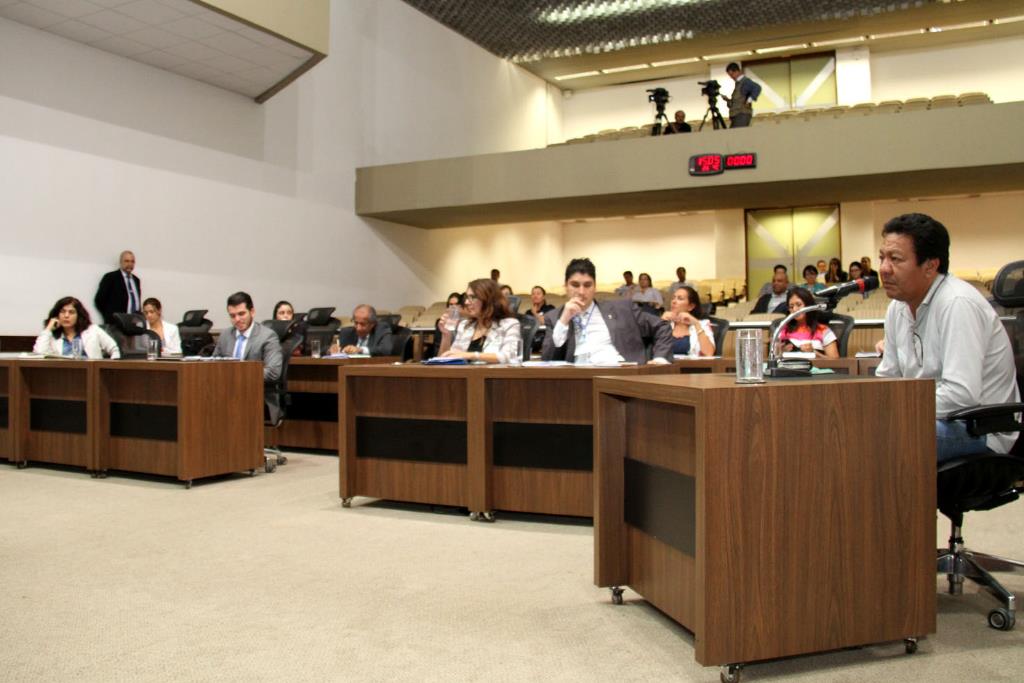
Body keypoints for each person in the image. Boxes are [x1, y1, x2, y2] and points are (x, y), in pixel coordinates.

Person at [875, 213, 1018, 461]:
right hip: (932, 418)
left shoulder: (957, 303)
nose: (884, 269)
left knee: (880, 434)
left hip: (979, 428)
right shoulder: (897, 307)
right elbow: (888, 378)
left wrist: (897, 410)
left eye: (895, 259)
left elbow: (961, 394)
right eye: (882, 258)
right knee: (854, 424)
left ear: (930, 266)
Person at [542, 258, 672, 365]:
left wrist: (660, 358)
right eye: (575, 285)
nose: (581, 292)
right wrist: (564, 320)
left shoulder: (623, 309)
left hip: (620, 374)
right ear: (565, 286)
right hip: (578, 379)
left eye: (587, 285)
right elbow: (547, 360)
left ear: (595, 287)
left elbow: (662, 326)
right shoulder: (554, 318)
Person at [212, 292, 284, 423]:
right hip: (226, 394)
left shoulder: (267, 336)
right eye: (232, 316)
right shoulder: (225, 335)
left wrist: (239, 376)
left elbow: (273, 372)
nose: (237, 319)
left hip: (257, 395)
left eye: (241, 314)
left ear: (252, 312)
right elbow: (213, 366)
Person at [438, 278, 521, 364]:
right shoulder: (465, 326)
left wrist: (471, 355)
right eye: (467, 297)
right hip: (465, 373)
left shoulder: (510, 325)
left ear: (488, 300)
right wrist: (446, 335)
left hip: (492, 372)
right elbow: (445, 360)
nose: (466, 302)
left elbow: (510, 356)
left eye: (473, 297)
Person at [34, 296, 120, 358]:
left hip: (91, 374)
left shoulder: (93, 330)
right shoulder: (52, 336)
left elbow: (114, 349)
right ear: (57, 315)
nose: (66, 316)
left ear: (79, 316)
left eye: (71, 312)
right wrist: (48, 329)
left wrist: (108, 370)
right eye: (62, 312)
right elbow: (39, 354)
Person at [778, 288, 838, 358]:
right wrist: (782, 352)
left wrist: (814, 353)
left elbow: (835, 361)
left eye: (799, 305)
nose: (794, 309)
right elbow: (773, 357)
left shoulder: (823, 330)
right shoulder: (783, 329)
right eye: (791, 306)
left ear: (809, 306)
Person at [661, 286, 714, 357]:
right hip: (665, 363)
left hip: (691, 364)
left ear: (691, 306)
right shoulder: (665, 323)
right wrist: (660, 323)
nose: (674, 301)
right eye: (673, 298)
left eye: (680, 298)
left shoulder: (703, 324)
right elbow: (651, 352)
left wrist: (696, 323)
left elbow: (709, 353)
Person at [94, 250, 141, 324]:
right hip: (116, 323)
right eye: (127, 261)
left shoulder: (136, 280)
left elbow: (136, 301)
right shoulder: (111, 277)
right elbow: (99, 300)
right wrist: (110, 316)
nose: (130, 264)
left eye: (132, 261)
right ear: (121, 262)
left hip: (133, 323)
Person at [721, 62, 761, 128]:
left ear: (737, 71)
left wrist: (749, 100)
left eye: (732, 74)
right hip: (736, 115)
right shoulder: (738, 84)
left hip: (742, 114)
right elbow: (737, 101)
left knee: (735, 133)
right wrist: (727, 100)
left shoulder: (745, 81)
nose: (731, 77)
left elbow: (757, 87)